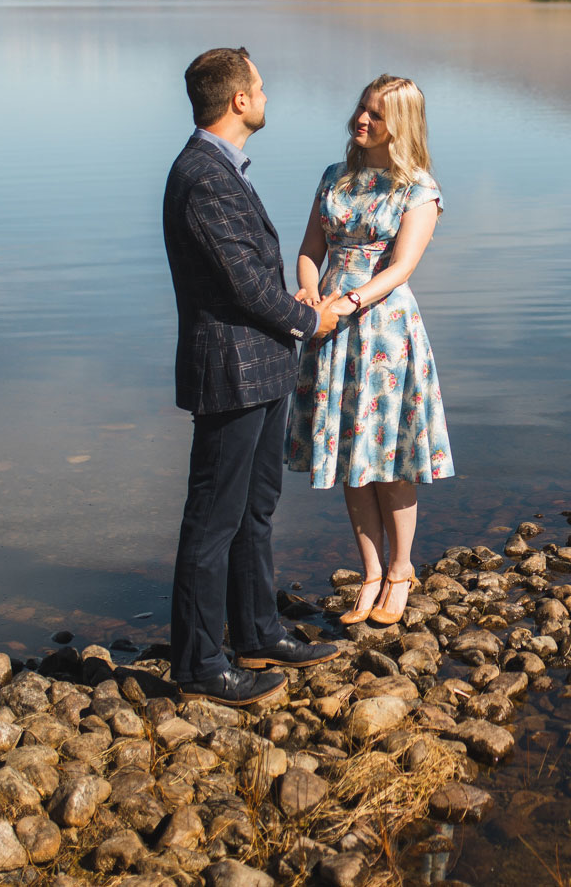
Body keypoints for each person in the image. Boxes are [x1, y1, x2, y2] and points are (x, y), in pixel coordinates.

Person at [163, 47, 345, 706]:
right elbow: (242, 283)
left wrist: (293, 323)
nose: (266, 95)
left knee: (254, 511)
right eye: (260, 87)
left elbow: (250, 274)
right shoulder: (205, 176)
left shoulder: (224, 168)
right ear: (237, 100)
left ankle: (259, 630)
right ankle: (198, 662)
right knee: (212, 521)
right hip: (232, 371)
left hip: (261, 366)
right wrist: (308, 319)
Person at [290, 74, 454, 628]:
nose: (362, 121)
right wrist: (311, 295)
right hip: (330, 326)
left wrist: (350, 299)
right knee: (351, 462)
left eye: (376, 116)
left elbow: (403, 267)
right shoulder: (335, 177)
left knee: (390, 456)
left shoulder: (418, 188)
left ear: (399, 126)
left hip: (383, 330)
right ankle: (370, 574)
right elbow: (311, 248)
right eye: (361, 109)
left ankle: (402, 571)